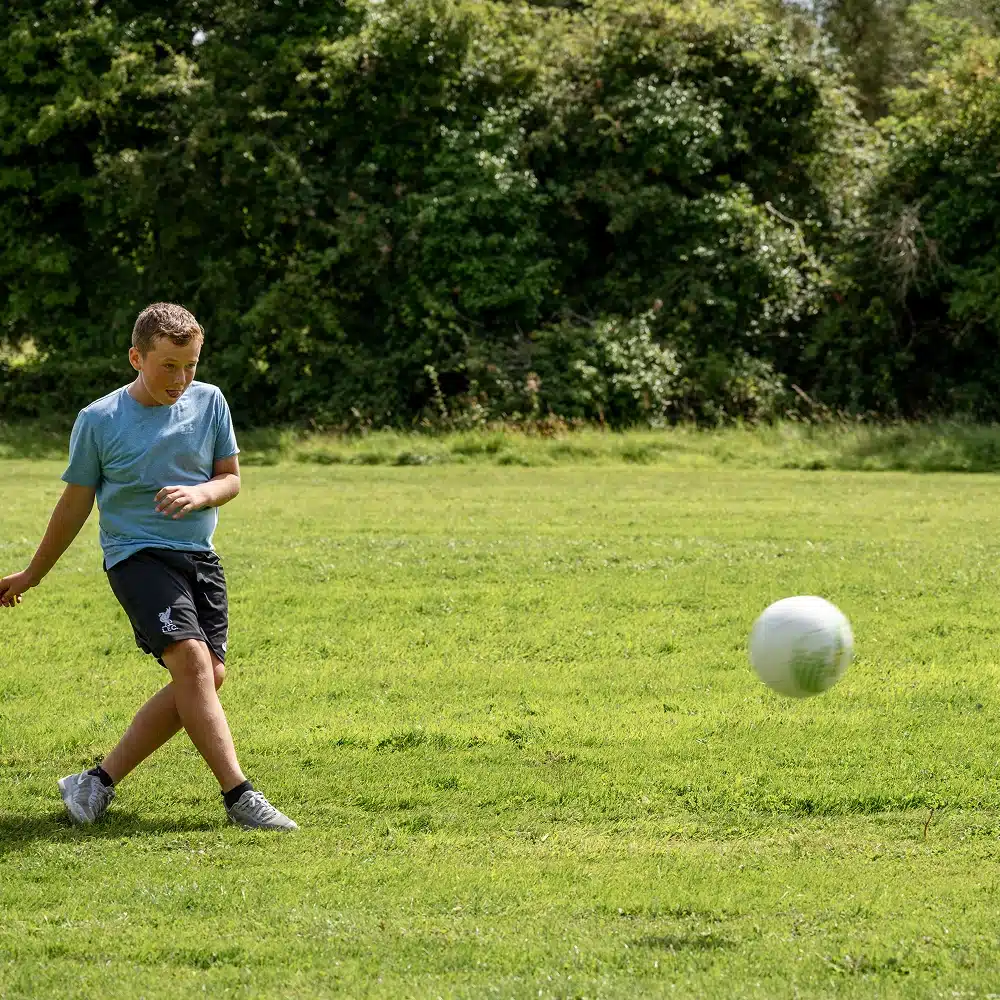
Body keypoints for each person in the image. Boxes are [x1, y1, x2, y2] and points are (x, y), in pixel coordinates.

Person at [0, 302, 296, 831]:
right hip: (135, 556)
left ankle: (96, 781)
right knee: (190, 661)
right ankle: (239, 796)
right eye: (168, 366)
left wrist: (201, 493)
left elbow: (230, 478)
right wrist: (31, 573)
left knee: (207, 677)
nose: (181, 379)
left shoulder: (210, 403)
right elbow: (74, 505)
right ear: (137, 357)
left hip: (200, 559)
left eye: (191, 365)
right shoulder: (99, 420)